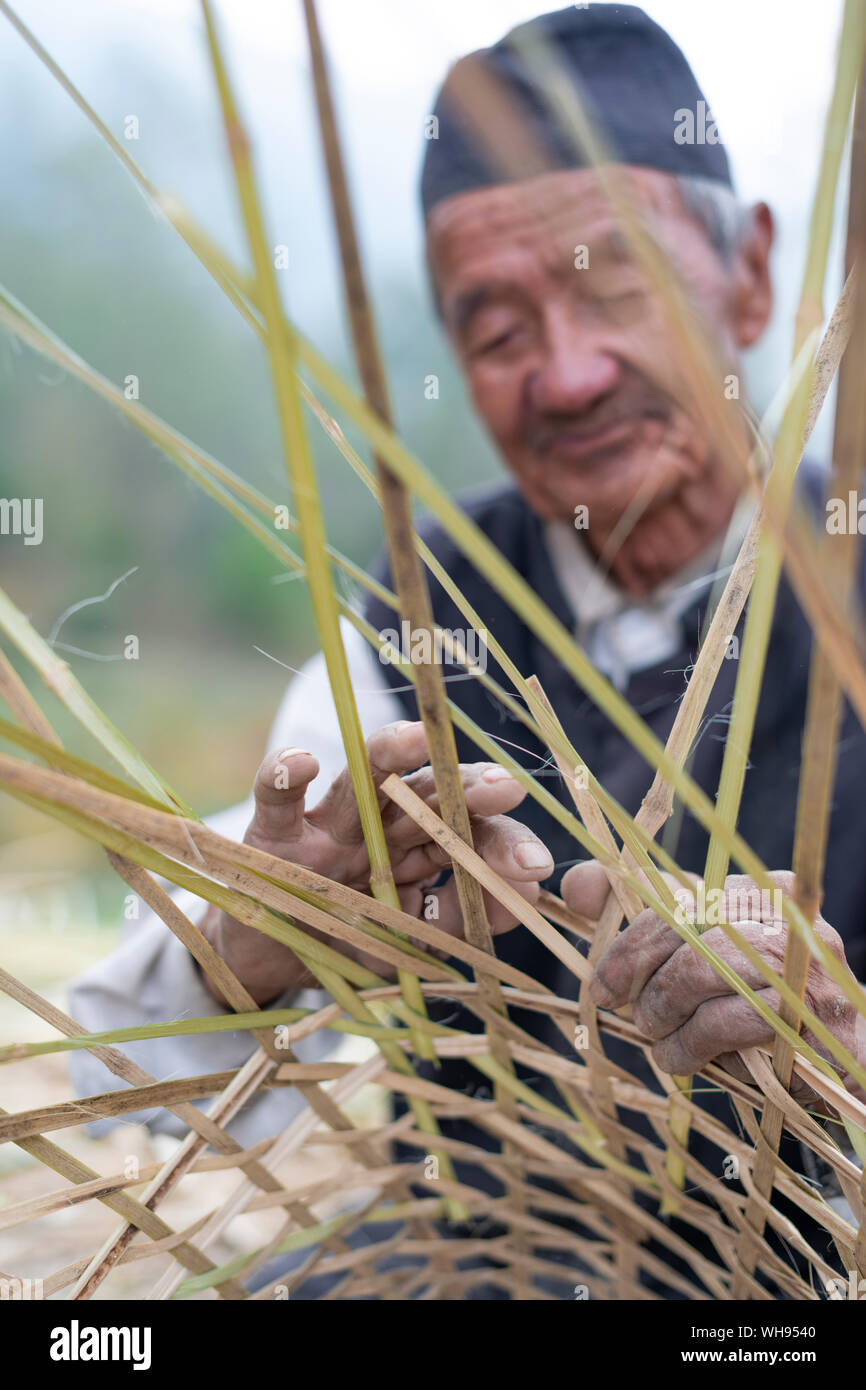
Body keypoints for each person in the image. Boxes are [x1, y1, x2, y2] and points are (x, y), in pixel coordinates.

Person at [69, 4, 865, 1286]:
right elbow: (118, 1074)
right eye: (493, 333)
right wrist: (258, 946)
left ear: (754, 274)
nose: (562, 376)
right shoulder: (405, 625)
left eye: (618, 288)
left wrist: (840, 1048)